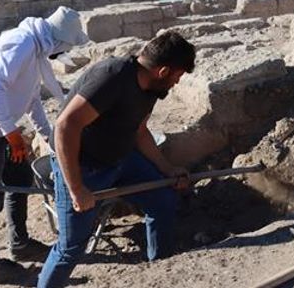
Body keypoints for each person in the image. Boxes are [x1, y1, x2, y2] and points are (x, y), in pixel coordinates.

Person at [37, 31, 197, 288]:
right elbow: (66, 126)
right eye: (177, 76)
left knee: (163, 201)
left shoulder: (151, 89)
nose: (176, 83)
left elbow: (140, 131)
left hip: (121, 160)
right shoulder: (113, 77)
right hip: (83, 167)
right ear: (164, 71)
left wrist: (167, 169)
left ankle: (162, 271)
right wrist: (77, 189)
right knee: (71, 247)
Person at [0, 6, 89, 286]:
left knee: (19, 179)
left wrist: (51, 137)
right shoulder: (20, 43)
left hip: (3, 132)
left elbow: (31, 98)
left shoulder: (36, 51)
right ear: (58, 40)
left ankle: (19, 243)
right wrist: (12, 133)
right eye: (65, 46)